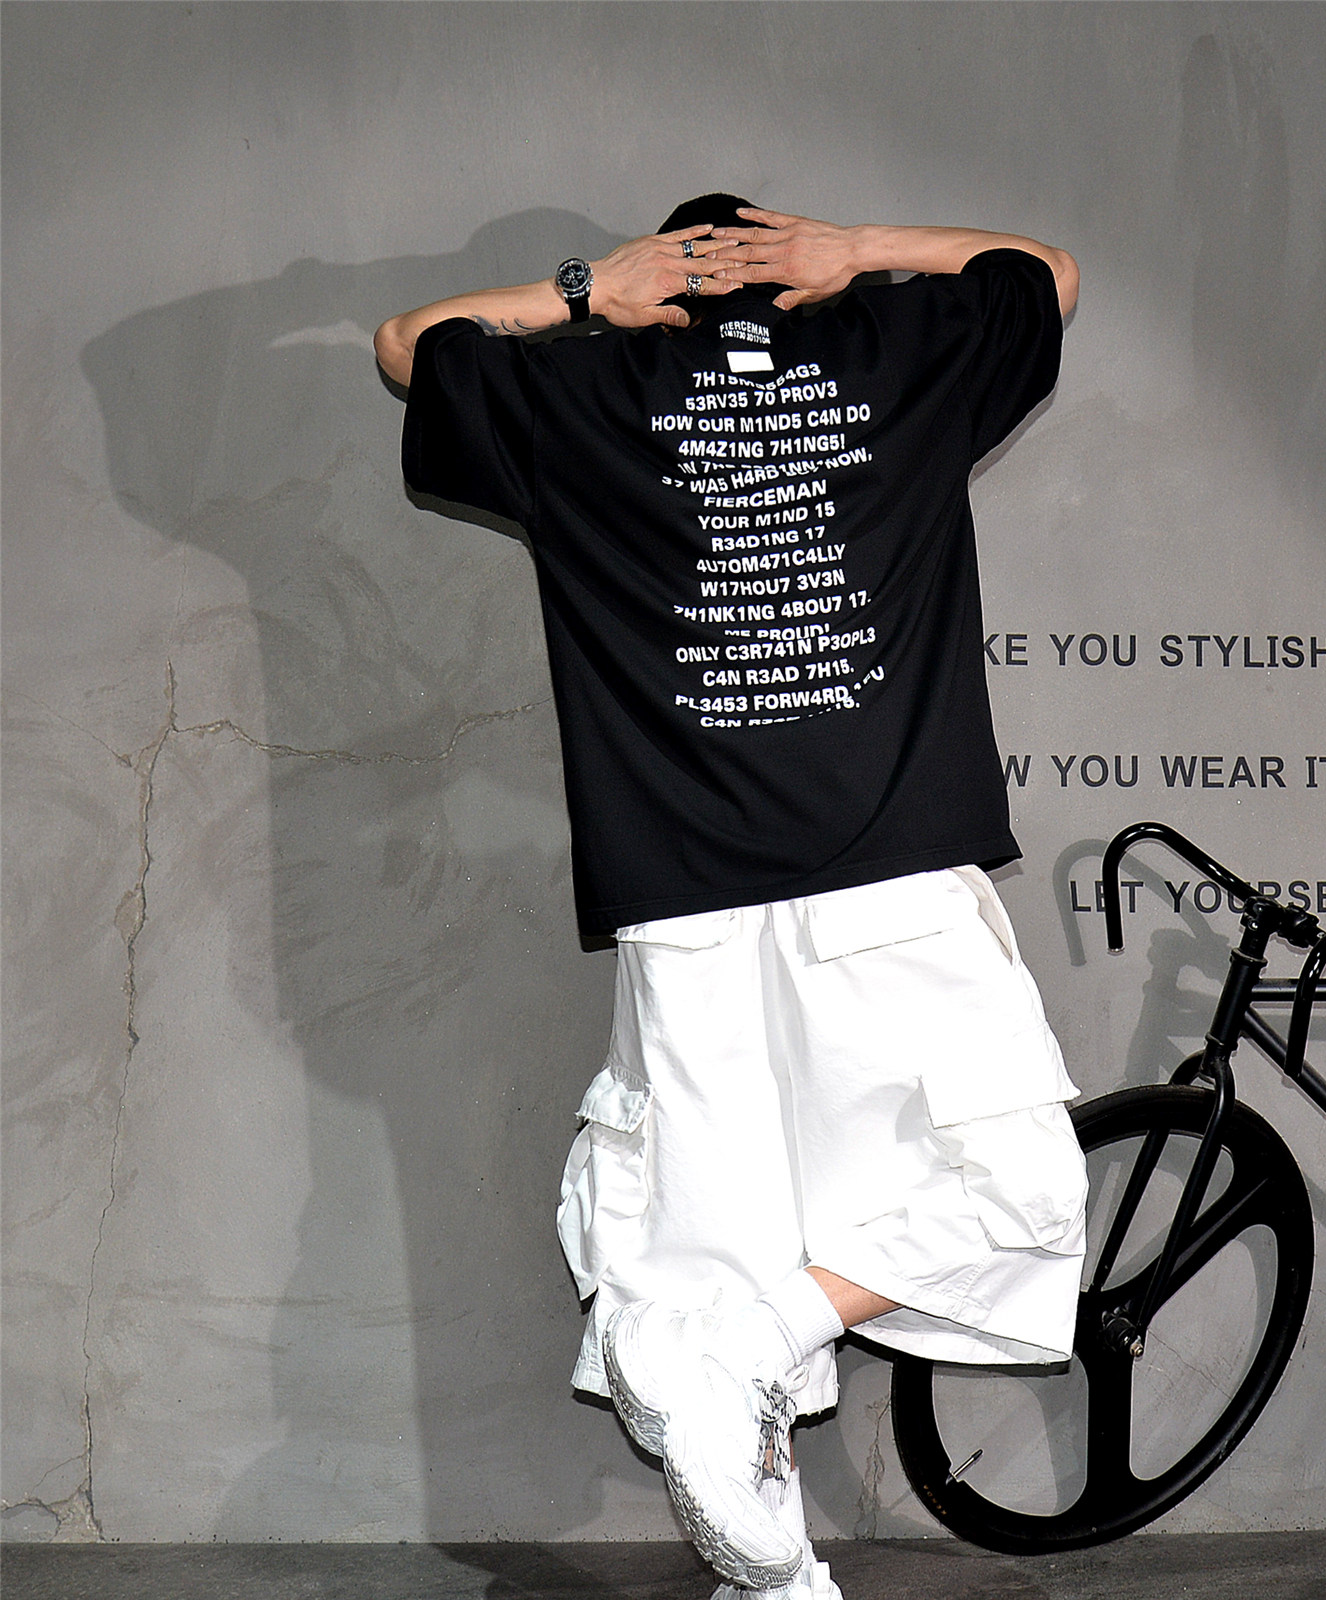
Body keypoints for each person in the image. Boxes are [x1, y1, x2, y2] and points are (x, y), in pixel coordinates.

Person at [376, 196, 1088, 1598]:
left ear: (663, 286)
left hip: (684, 898)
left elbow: (408, 343)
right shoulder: (896, 353)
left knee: (712, 1244)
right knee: (1014, 1193)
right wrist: (861, 251)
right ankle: (753, 1373)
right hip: (892, 877)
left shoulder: (586, 392)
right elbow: (1048, 273)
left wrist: (585, 293)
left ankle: (763, 1507)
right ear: (796, 282)